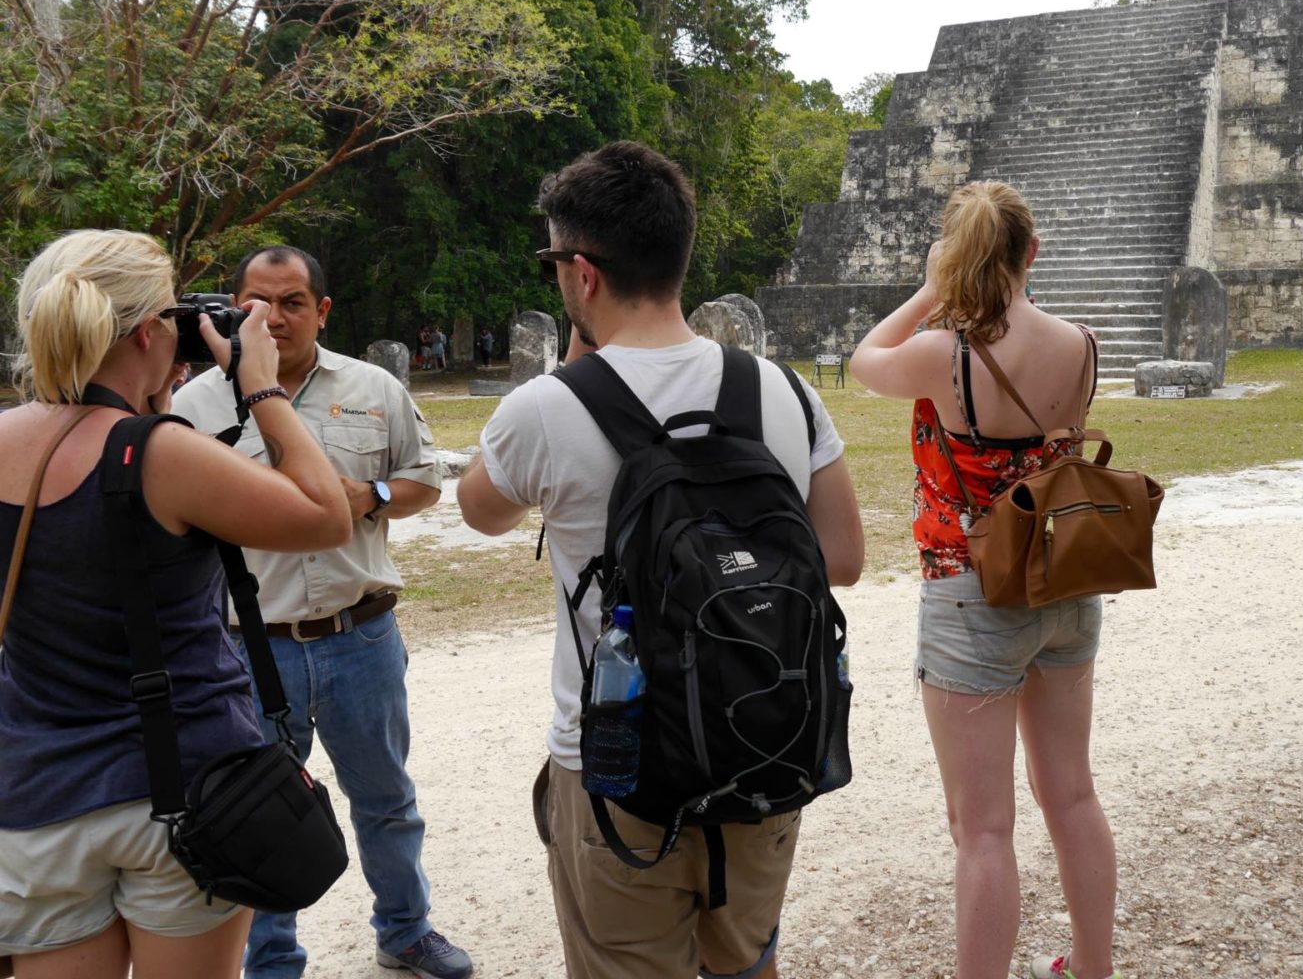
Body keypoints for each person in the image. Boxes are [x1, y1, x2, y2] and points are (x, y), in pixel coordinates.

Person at [457, 141, 866, 979]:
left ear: (582, 273)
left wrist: (578, 366)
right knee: (749, 965)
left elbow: (480, 510)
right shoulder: (785, 391)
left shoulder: (542, 410)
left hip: (617, 767)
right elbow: (845, 558)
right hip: (763, 737)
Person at [0, 230, 349, 978]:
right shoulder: (158, 453)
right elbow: (325, 514)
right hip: (185, 795)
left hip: (37, 799)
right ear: (149, 331)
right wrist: (259, 385)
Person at [172, 246, 472, 979]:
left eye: (293, 302)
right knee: (259, 812)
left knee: (386, 799)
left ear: (322, 310)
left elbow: (425, 481)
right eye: (256, 302)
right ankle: (272, 961)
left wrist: (368, 496)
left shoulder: (373, 387)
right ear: (232, 308)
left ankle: (405, 931)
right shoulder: (191, 406)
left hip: (358, 635)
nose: (272, 319)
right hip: (247, 648)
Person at [851, 182, 1121, 979]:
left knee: (983, 829)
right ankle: (1096, 967)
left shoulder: (948, 353)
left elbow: (868, 359)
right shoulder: (1081, 344)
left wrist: (931, 290)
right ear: (1032, 252)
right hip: (1064, 576)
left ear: (962, 258)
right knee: (1071, 794)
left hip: (971, 587)